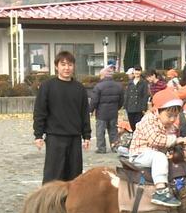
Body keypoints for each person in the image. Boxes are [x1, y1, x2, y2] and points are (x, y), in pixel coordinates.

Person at [33, 51, 91, 184]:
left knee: (74, 175)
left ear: (73, 67)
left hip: (74, 138)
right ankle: (48, 203)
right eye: (63, 64)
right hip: (55, 137)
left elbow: (84, 114)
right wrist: (38, 135)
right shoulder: (47, 86)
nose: (67, 68)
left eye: (70, 65)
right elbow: (40, 112)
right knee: (53, 175)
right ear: (56, 66)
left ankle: (70, 203)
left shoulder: (79, 88)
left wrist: (86, 135)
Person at [129, 89, 186, 207]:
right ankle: (160, 190)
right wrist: (175, 140)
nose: (172, 119)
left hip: (152, 153)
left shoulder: (169, 125)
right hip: (140, 154)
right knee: (159, 157)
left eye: (175, 116)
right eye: (169, 115)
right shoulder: (148, 120)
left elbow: (168, 142)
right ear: (156, 111)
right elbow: (155, 139)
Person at [90, 66, 124, 154]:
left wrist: (91, 110)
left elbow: (94, 101)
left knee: (100, 132)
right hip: (113, 112)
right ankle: (114, 146)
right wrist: (117, 108)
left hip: (101, 113)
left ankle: (101, 148)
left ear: (103, 75)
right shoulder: (118, 86)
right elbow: (121, 101)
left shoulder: (98, 86)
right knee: (113, 131)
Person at [123, 65, 149, 131]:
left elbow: (145, 96)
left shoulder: (144, 83)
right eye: (135, 70)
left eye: (138, 70)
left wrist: (143, 108)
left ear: (141, 72)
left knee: (138, 126)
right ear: (133, 71)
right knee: (132, 125)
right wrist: (125, 106)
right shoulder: (130, 82)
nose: (137, 72)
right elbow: (127, 95)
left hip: (139, 108)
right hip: (130, 107)